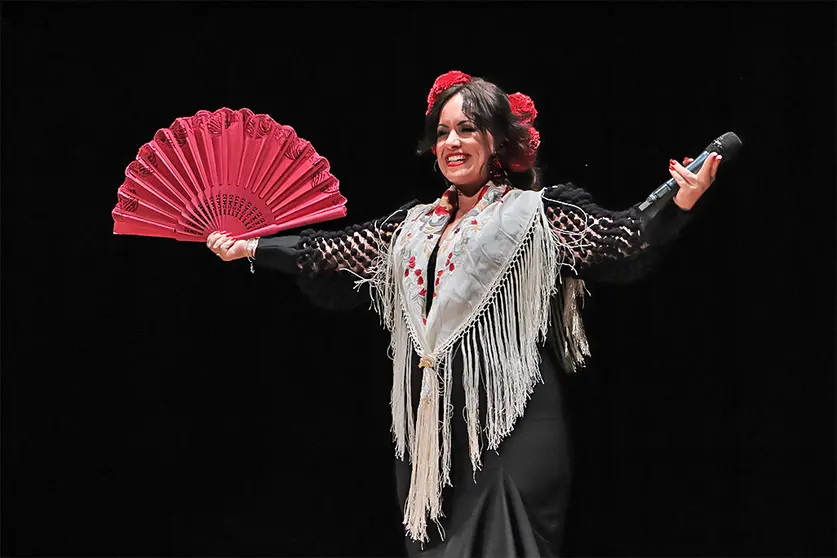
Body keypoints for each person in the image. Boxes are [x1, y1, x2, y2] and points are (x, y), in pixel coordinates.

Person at [206, 70, 723, 557]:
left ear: (495, 140)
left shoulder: (535, 215)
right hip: (432, 433)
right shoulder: (409, 229)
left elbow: (623, 240)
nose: (452, 142)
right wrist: (251, 247)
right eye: (444, 132)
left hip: (515, 423)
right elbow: (327, 253)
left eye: (467, 129)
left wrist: (680, 202)